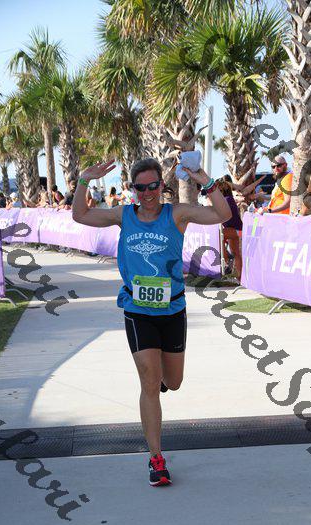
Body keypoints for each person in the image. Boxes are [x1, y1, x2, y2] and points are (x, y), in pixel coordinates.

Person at [72, 158, 232, 486]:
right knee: (148, 382)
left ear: (162, 185)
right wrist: (84, 180)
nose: (147, 193)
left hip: (172, 310)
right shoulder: (124, 215)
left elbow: (222, 214)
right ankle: (156, 459)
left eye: (153, 186)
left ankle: (162, 381)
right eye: (140, 187)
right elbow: (80, 215)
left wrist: (206, 181)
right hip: (137, 310)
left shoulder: (177, 214)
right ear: (133, 189)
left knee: (173, 382)